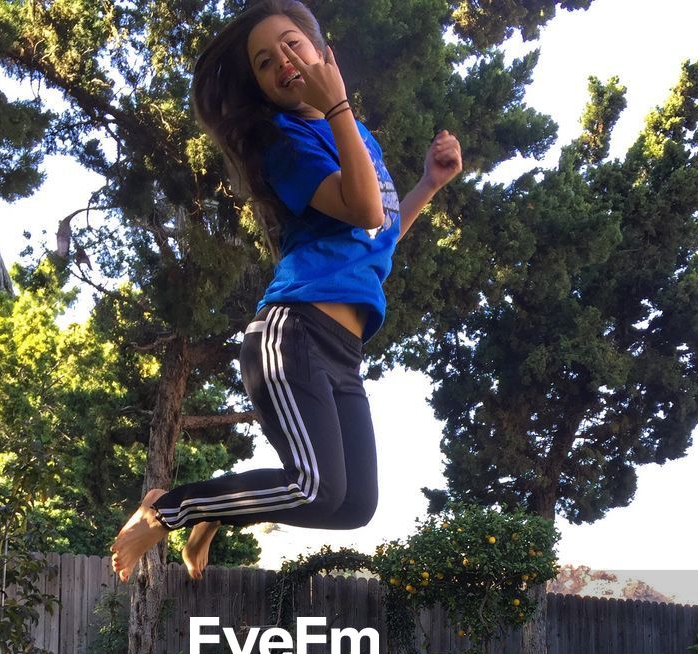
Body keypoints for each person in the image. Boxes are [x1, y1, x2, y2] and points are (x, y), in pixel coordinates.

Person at [110, 0, 462, 583]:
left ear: (324, 52)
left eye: (293, 44)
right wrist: (339, 105)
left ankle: (219, 510)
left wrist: (429, 182)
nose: (284, 63)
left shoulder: (351, 134)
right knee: (314, 483)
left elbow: (377, 233)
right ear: (263, 88)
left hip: (343, 353)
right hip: (292, 331)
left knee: (352, 505)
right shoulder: (284, 142)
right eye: (265, 62)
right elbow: (364, 205)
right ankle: (168, 509)